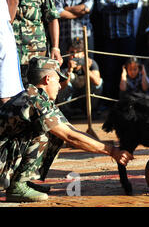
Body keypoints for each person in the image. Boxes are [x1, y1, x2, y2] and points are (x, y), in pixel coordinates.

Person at [0, 56, 132, 202]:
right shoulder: (34, 101)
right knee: (42, 132)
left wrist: (112, 149)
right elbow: (70, 136)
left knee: (51, 130)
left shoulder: (39, 98)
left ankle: (21, 180)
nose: (59, 86)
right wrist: (112, 151)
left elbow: (72, 130)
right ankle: (17, 185)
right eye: (58, 80)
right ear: (47, 79)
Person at [8, 0, 62, 85]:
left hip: (36, 55)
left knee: (36, 95)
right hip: (10, 53)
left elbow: (52, 18)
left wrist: (55, 47)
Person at [97, 0, 139, 100]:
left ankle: (130, 101)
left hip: (127, 37)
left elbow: (134, 3)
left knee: (129, 69)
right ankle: (110, 102)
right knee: (110, 70)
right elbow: (101, 7)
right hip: (110, 37)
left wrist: (114, 4)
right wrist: (123, 2)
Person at [57, 38, 103, 116]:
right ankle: (66, 112)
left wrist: (86, 69)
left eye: (78, 52)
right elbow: (61, 87)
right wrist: (69, 70)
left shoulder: (91, 63)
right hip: (71, 97)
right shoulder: (64, 65)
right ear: (67, 52)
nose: (75, 55)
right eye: (72, 52)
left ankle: (92, 111)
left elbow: (97, 82)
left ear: (83, 54)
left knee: (100, 82)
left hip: (86, 96)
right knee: (64, 80)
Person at [0, 0, 24, 105]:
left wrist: (4, 25)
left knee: (5, 93)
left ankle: (8, 127)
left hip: (2, 32)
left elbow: (13, 0)